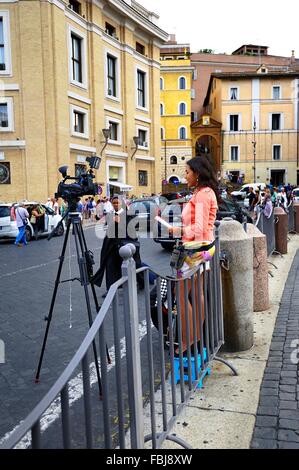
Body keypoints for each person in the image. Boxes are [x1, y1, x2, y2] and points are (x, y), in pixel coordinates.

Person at [168, 156, 219, 354]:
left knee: (180, 295)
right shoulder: (202, 192)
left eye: (187, 172)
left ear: (197, 174)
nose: (185, 175)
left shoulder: (203, 194)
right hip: (202, 249)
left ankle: (189, 340)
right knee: (196, 293)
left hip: (196, 250)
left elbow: (198, 229)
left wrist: (178, 230)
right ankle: (195, 338)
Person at [92, 195, 144, 297]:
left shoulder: (129, 214)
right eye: (114, 203)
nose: (116, 205)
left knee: (133, 266)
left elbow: (134, 228)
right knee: (110, 266)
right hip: (112, 245)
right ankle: (111, 290)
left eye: (117, 203)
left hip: (126, 246)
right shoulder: (110, 215)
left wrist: (121, 223)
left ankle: (140, 283)